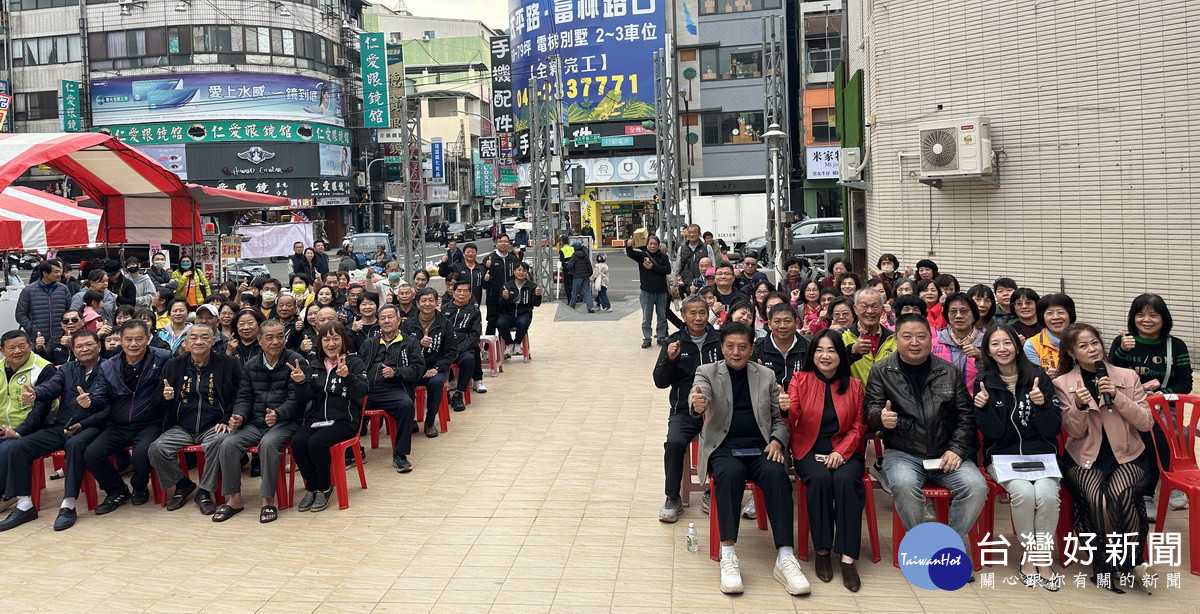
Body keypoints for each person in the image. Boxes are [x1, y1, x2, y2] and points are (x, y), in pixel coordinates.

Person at [692, 322, 807, 595]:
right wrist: (698, 404)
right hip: (724, 448)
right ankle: (728, 553)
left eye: (742, 347)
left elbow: (779, 419)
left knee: (777, 474)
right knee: (729, 475)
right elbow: (699, 394)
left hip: (761, 448)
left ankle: (785, 556)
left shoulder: (765, 375)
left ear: (752, 348)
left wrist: (778, 441)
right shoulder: (706, 372)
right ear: (721, 348)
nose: (736, 352)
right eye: (730, 346)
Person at [866, 314, 987, 566]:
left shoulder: (949, 372)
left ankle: (947, 547)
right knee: (904, 484)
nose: (914, 342)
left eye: (921, 336)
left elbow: (966, 417)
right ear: (896, 338)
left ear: (931, 339)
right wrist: (881, 418)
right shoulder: (881, 371)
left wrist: (956, 449)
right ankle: (922, 544)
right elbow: (870, 410)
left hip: (946, 452)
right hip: (903, 452)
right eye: (907, 336)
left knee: (976, 487)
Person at [1051, 322, 1156, 593]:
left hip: (1128, 454)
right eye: (1083, 346)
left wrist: (1117, 397)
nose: (1091, 349)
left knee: (1120, 494)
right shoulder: (1063, 384)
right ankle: (1116, 564)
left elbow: (1145, 423)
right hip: (1085, 457)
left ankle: (1124, 563)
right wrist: (1079, 406)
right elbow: (1074, 431)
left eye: (1095, 343)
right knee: (1098, 498)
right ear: (1072, 353)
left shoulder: (1126, 376)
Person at [973, 324, 1062, 590]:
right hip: (1003, 457)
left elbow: (1052, 429)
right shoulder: (984, 381)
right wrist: (983, 408)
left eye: (1007, 343)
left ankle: (1041, 556)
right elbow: (994, 433)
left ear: (1017, 345)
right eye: (995, 344)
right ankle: (1029, 553)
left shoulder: (1038, 377)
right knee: (1023, 492)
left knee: (1047, 494)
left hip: (1041, 456)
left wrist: (1042, 404)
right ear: (987, 350)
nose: (1002, 349)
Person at [785, 329, 867, 591]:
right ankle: (822, 550)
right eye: (819, 350)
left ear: (841, 355)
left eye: (831, 350)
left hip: (846, 450)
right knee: (819, 480)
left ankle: (847, 557)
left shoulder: (854, 386)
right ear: (812, 354)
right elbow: (792, 416)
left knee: (845, 482)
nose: (825, 355)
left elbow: (859, 425)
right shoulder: (800, 379)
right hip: (809, 449)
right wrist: (785, 407)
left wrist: (841, 452)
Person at [0, 330, 101, 531]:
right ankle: (24, 504)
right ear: (72, 348)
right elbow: (52, 387)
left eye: (89, 345)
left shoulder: (109, 368)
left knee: (73, 445)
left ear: (99, 345)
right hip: (62, 426)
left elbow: (110, 406)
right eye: (79, 346)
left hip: (94, 425)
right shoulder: (67, 369)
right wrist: (36, 393)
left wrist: (84, 421)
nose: (84, 349)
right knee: (19, 447)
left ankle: (68, 505)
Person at [1108, 294, 1192, 515]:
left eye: (1153, 315)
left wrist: (1159, 396)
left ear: (1164, 318)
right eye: (1140, 314)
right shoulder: (1123, 342)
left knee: (1162, 434)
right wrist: (1122, 352)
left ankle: (1165, 484)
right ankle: (1143, 491)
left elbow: (1185, 383)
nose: (1146, 319)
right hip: (1127, 405)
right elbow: (1111, 376)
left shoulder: (1176, 345)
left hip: (1162, 405)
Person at [148, 324, 241, 518]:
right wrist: (164, 396)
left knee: (219, 442)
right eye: (194, 337)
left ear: (214, 341)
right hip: (181, 426)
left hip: (214, 424)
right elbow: (156, 397)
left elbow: (238, 396)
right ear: (186, 341)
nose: (199, 341)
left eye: (204, 337)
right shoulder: (174, 365)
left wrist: (226, 418)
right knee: (157, 448)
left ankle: (204, 491)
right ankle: (182, 484)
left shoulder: (228, 363)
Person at [218, 319, 306, 523]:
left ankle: (268, 501)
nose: (276, 341)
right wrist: (239, 415)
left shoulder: (295, 361)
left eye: (280, 336)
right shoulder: (251, 365)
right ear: (259, 340)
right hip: (256, 422)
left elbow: (298, 400)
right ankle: (234, 499)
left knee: (268, 445)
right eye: (269, 337)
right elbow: (244, 396)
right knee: (228, 443)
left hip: (286, 422)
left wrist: (279, 414)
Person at [82, 320, 173, 514]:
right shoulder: (108, 366)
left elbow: (171, 386)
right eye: (129, 339)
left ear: (148, 339)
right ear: (121, 341)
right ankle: (117, 490)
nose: (134, 344)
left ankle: (139, 487)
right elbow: (100, 398)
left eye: (139, 339)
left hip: (150, 422)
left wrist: (167, 396)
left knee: (141, 454)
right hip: (118, 424)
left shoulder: (163, 358)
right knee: (91, 454)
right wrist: (90, 403)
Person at [652, 295, 722, 523]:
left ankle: (712, 492)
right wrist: (670, 359)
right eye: (692, 313)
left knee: (724, 441)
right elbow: (660, 382)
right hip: (683, 412)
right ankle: (672, 498)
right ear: (683, 316)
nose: (698, 318)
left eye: (702, 312)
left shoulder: (719, 340)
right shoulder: (674, 342)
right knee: (673, 443)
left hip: (717, 411)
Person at [293, 322, 368, 512]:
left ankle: (325, 487)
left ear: (343, 340)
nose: (331, 343)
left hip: (344, 420)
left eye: (336, 338)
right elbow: (305, 399)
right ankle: (312, 487)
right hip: (317, 419)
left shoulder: (354, 363)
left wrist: (348, 378)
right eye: (326, 339)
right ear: (320, 343)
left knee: (317, 443)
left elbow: (363, 391)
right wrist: (301, 382)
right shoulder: (315, 365)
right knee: (298, 442)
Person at [361, 305, 424, 473]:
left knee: (406, 404)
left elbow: (418, 369)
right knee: (344, 403)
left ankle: (400, 454)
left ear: (398, 320)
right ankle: (353, 450)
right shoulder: (370, 342)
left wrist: (396, 373)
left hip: (395, 388)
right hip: (369, 389)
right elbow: (359, 364)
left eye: (390, 317)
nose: (386, 321)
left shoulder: (410, 342)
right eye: (383, 318)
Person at [0, 330, 56, 505]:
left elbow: (42, 409)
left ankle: (6, 495)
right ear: (2, 350)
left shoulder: (44, 368)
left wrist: (17, 432)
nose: (17, 351)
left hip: (37, 427)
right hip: (3, 427)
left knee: (7, 449)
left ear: (30, 346)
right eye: (12, 348)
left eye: (22, 346)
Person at [403, 288, 457, 439]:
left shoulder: (445, 324)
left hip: (436, 367)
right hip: (414, 367)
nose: (427, 304)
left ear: (437, 302)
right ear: (417, 303)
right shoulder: (408, 324)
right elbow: (402, 348)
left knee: (435, 384)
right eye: (423, 300)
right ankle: (410, 419)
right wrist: (418, 344)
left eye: (431, 300)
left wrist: (437, 368)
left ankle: (430, 421)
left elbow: (451, 351)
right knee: (403, 382)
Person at [441, 281, 485, 409]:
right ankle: (444, 391)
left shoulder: (474, 311)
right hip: (445, 347)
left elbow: (474, 335)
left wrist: (458, 349)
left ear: (470, 294)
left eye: (466, 291)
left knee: (469, 359)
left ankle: (459, 393)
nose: (462, 294)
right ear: (453, 293)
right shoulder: (444, 309)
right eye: (459, 291)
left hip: (463, 348)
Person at [841, 288, 897, 385]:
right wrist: (852, 351)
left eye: (875, 306)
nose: (870, 311)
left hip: (887, 398)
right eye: (864, 306)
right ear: (855, 309)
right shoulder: (842, 335)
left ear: (882, 309)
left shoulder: (894, 338)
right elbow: (832, 366)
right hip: (854, 397)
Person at [626, 236, 672, 349]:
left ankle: (661, 337)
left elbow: (667, 270)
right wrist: (628, 245)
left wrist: (653, 267)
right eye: (650, 244)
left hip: (661, 291)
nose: (652, 246)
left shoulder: (664, 257)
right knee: (647, 316)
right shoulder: (642, 256)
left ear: (658, 245)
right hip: (647, 291)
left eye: (655, 244)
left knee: (662, 316)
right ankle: (647, 338)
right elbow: (631, 253)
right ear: (647, 245)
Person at [16, 260, 70, 354]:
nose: (59, 274)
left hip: (60, 338)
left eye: (60, 271)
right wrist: (32, 329)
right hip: (37, 339)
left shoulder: (63, 289)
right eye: (56, 272)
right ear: (45, 273)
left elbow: (69, 311)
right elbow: (20, 315)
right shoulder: (29, 291)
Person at [752, 303, 810, 389]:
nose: (783, 326)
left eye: (787, 321)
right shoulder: (757, 349)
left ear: (797, 323)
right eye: (777, 321)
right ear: (769, 324)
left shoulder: (809, 348)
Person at [933, 293, 982, 391]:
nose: (958, 316)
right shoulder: (934, 343)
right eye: (953, 311)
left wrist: (981, 357)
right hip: (942, 402)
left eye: (964, 311)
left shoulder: (987, 342)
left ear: (974, 315)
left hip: (978, 400)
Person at [1024, 293, 1075, 378]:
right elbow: (1034, 377)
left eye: (1060, 312)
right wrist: (1047, 376)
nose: (1055, 317)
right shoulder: (1032, 345)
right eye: (1049, 313)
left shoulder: (1081, 338)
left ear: (1070, 314)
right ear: (1042, 317)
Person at [497, 263, 542, 358]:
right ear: (514, 272)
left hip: (524, 313)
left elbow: (536, 304)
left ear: (527, 273)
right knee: (500, 323)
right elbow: (501, 305)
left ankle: (517, 343)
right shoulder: (507, 286)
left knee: (523, 322)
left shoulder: (532, 286)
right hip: (508, 313)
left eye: (524, 270)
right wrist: (505, 298)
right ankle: (509, 344)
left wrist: (538, 295)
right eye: (519, 270)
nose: (521, 272)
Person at [484, 234, 520, 331]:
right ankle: (488, 346)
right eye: (500, 241)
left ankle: (504, 345)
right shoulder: (489, 259)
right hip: (493, 298)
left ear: (509, 244)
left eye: (505, 241)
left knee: (505, 323)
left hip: (510, 298)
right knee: (492, 322)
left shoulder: (513, 259)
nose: (503, 244)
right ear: (496, 244)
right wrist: (487, 267)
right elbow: (484, 283)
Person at [672, 224, 715, 297]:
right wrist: (676, 284)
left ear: (699, 234)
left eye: (694, 232)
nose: (692, 234)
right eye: (690, 232)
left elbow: (713, 266)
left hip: (703, 284)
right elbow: (678, 268)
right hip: (685, 284)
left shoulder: (707, 248)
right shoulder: (682, 249)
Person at [566, 240, 595, 313]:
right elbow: (589, 266)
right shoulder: (585, 255)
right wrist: (589, 274)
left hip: (577, 276)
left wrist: (569, 268)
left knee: (575, 292)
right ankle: (590, 307)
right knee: (587, 292)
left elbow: (570, 267)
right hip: (585, 276)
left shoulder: (574, 255)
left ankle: (572, 306)